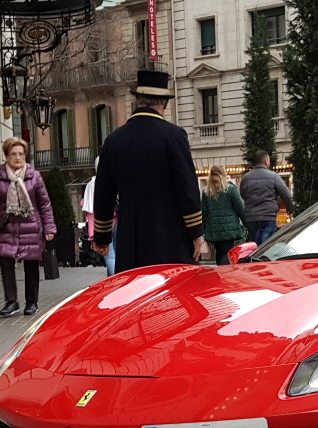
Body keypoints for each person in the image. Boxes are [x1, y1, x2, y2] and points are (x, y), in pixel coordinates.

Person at [91, 69, 209, 272]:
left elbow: (103, 193)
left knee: (135, 292)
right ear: (165, 103)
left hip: (130, 234)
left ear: (137, 100)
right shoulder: (174, 136)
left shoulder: (114, 140)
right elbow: (187, 189)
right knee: (170, 291)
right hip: (169, 233)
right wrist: (196, 234)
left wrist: (102, 236)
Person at [0, 137, 55, 317]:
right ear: (6, 156)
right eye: (13, 154)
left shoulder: (34, 176)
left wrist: (49, 228)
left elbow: (45, 204)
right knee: (6, 263)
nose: (17, 157)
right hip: (6, 227)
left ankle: (32, 302)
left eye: (21, 154)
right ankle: (11, 301)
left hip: (30, 226)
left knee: (31, 265)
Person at [239, 150, 295, 245]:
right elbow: (286, 195)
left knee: (255, 245)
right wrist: (290, 209)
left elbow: (243, 195)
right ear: (266, 161)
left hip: (251, 217)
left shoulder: (245, 178)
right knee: (265, 246)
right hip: (268, 216)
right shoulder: (273, 177)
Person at [201, 165, 248, 266]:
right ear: (223, 174)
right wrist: (245, 222)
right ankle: (224, 274)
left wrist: (203, 230)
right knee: (226, 253)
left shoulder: (206, 192)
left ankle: (221, 272)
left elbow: (204, 213)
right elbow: (239, 208)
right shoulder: (230, 189)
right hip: (229, 228)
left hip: (214, 228)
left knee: (220, 253)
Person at [80, 157, 116, 276]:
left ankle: (116, 279)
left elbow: (89, 209)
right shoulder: (114, 179)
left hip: (102, 224)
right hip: (117, 220)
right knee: (117, 253)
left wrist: (92, 233)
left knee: (110, 255)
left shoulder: (92, 184)